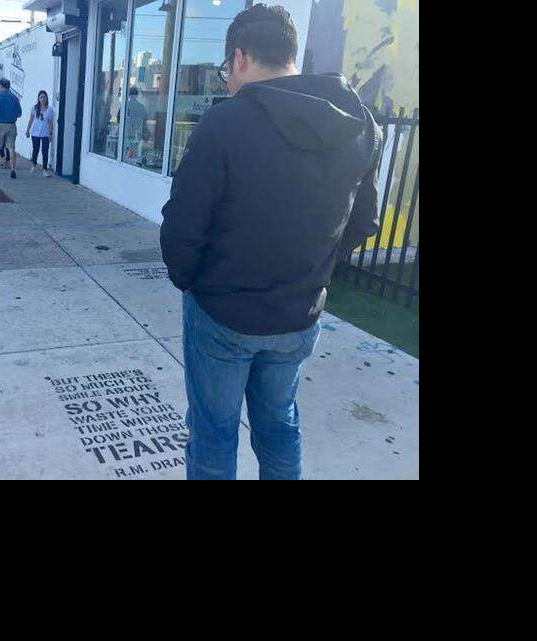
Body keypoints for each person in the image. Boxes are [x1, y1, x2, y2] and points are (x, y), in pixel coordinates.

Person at [160, 4, 382, 481]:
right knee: (279, 425)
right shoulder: (361, 125)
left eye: (225, 70)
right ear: (290, 54)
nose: (226, 81)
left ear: (239, 58)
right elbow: (364, 223)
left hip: (223, 315)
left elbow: (181, 228)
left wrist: (192, 282)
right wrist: (316, 271)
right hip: (298, 315)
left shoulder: (223, 124)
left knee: (214, 433)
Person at [0, 78, 22, 179]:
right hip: (11, 125)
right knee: (11, 147)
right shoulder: (14, 98)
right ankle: (12, 169)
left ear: (0, 85)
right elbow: (19, 114)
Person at [25, 90, 55, 176]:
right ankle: (34, 165)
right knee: (35, 149)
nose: (42, 99)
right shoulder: (34, 108)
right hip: (35, 133)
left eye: (44, 97)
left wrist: (50, 134)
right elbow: (31, 120)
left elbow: (50, 122)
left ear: (46, 98)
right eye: (41, 97)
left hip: (45, 133)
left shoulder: (49, 110)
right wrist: (27, 130)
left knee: (45, 151)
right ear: (38, 98)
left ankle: (45, 169)